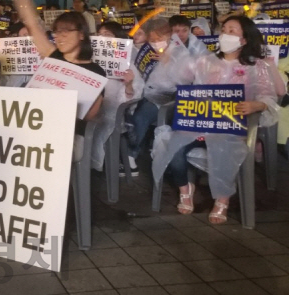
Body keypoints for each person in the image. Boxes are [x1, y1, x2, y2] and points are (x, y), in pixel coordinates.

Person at [152, 16, 279, 224]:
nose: (225, 35)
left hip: (231, 127)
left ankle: (222, 199)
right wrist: (168, 58)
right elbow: (179, 75)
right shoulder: (205, 61)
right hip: (200, 123)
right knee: (170, 144)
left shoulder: (256, 66)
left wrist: (257, 105)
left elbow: (268, 95)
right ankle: (185, 188)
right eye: (224, 30)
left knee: (224, 148)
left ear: (244, 39)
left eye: (232, 31)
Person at [5, 0, 105, 134]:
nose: (60, 37)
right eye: (57, 32)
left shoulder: (96, 72)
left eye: (66, 31)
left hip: (66, 134)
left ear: (81, 35)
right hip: (36, 125)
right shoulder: (54, 58)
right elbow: (32, 23)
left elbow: (88, 115)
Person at [126, 18, 192, 176]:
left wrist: (168, 63)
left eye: (159, 39)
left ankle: (136, 155)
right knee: (135, 117)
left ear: (169, 35)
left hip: (171, 99)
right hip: (148, 95)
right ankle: (130, 154)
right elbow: (139, 74)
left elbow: (185, 81)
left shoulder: (181, 53)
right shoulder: (147, 52)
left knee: (144, 117)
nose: (156, 43)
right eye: (152, 40)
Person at [93, 21, 145, 172]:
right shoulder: (89, 58)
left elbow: (132, 97)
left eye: (108, 35)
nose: (103, 38)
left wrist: (129, 84)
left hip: (112, 110)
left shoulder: (126, 64)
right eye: (100, 35)